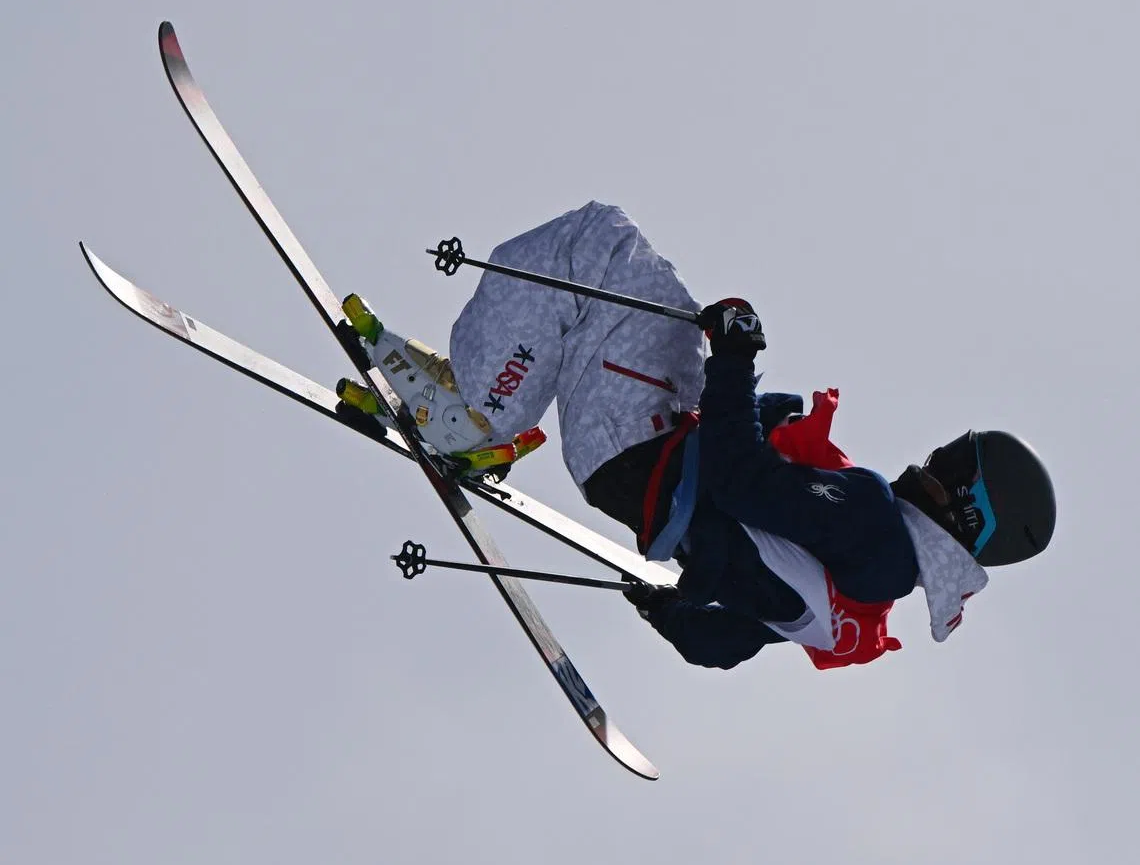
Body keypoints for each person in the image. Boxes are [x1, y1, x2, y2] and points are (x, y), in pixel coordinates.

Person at [340, 202, 1057, 670]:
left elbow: (740, 478)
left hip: (643, 450)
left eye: (947, 464)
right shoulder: (863, 601)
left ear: (968, 512)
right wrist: (669, 608)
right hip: (641, 463)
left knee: (599, 245)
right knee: (631, 289)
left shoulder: (872, 522)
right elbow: (722, 645)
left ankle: (479, 410)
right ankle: (483, 395)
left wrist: (737, 357)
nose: (923, 461)